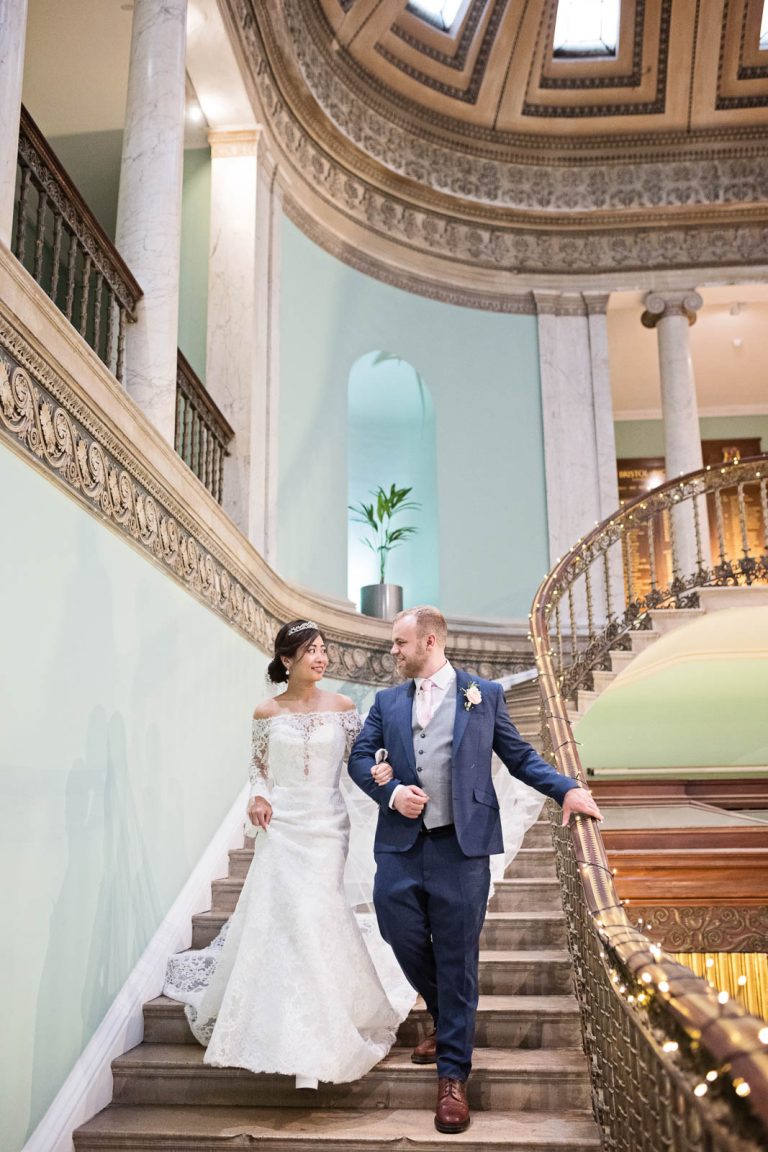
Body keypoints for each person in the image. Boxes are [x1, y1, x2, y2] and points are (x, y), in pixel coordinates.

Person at [348, 605, 603, 1135]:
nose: (392, 652)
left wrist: (567, 789)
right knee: (398, 929)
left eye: (400, 643)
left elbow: (519, 757)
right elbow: (356, 760)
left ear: (430, 640)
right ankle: (448, 1018)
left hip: (462, 849)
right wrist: (391, 792)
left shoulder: (483, 695)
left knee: (458, 954)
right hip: (400, 845)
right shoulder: (387, 701)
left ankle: (453, 1077)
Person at [164, 620, 412, 1089]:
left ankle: (324, 1027)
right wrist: (258, 798)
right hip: (283, 825)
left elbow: (358, 762)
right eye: (311, 651)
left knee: (317, 911)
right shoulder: (265, 712)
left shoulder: (343, 708)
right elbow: (258, 770)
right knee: (290, 917)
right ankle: (286, 1024)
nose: (321, 657)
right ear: (287, 660)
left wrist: (383, 770)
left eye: (323, 649)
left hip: (326, 825)